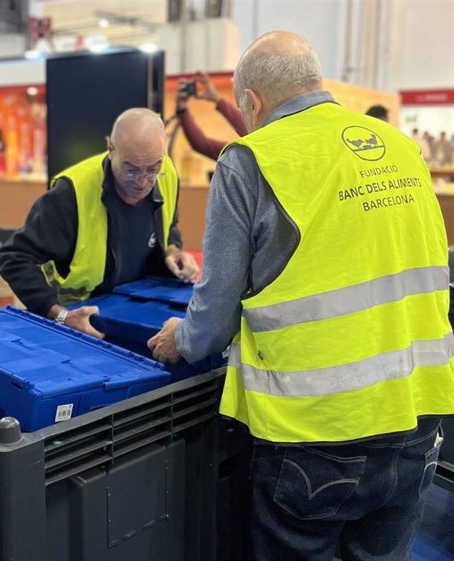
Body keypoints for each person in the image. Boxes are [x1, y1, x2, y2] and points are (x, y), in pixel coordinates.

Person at [148, 31, 454, 561]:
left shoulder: (251, 160)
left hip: (318, 432)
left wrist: (184, 338)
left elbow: (215, 316)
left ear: (253, 102)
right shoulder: (400, 149)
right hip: (418, 415)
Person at [0, 107, 199, 337]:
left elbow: (169, 223)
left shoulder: (167, 174)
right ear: (110, 148)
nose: (143, 182)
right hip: (82, 322)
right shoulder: (71, 194)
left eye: (152, 169)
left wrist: (173, 250)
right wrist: (60, 315)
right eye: (131, 170)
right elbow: (13, 257)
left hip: (142, 310)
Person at [175, 71, 248, 161]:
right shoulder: (244, 154)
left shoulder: (246, 154)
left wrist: (217, 99)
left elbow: (249, 128)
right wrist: (182, 108)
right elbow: (201, 144)